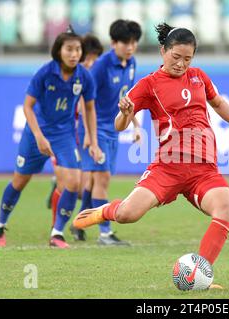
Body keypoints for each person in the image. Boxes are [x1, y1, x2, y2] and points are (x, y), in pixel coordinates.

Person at [72, 22, 229, 281]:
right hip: (168, 167)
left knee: (224, 208)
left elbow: (218, 102)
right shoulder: (149, 84)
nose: (181, 64)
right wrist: (125, 114)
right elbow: (118, 124)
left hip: (204, 169)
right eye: (176, 57)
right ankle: (104, 211)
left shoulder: (199, 76)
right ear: (162, 51)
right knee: (127, 215)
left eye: (187, 59)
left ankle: (198, 275)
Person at [0, 27, 102, 248]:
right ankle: (0, 225)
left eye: (78, 49)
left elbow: (90, 109)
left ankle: (57, 233)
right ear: (58, 51)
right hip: (36, 134)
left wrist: (93, 141)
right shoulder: (45, 73)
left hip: (64, 135)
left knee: (73, 181)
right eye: (69, 49)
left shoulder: (84, 77)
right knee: (20, 181)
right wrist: (39, 137)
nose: (74, 54)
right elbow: (28, 106)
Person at [70, 20, 143, 245]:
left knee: (93, 183)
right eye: (125, 43)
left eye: (134, 43)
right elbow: (84, 100)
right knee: (102, 179)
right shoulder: (101, 66)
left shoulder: (131, 64)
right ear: (113, 43)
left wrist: (136, 125)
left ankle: (78, 224)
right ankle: (105, 233)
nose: (130, 47)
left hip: (113, 129)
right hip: (96, 128)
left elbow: (127, 100)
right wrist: (90, 138)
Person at [47, 34, 104, 229]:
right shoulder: (66, 76)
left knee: (84, 185)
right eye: (87, 58)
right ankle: (57, 230)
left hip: (77, 135)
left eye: (94, 59)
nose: (90, 63)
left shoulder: (87, 78)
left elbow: (89, 108)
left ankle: (76, 225)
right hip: (61, 135)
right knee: (69, 185)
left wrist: (90, 135)